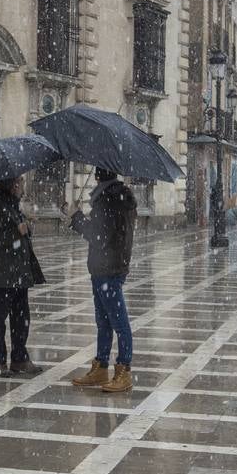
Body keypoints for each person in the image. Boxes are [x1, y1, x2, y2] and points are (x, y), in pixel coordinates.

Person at [66, 167, 138, 393]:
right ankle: (101, 366)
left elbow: (98, 237)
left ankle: (124, 370)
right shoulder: (119, 197)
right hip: (108, 267)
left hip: (107, 268)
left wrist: (76, 217)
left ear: (98, 177)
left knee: (118, 322)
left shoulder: (108, 200)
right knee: (104, 321)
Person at [0, 177, 45, 377]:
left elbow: (19, 231)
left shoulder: (12, 204)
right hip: (2, 273)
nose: (23, 187)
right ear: (14, 185)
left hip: (18, 272)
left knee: (21, 318)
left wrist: (26, 225)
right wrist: (16, 232)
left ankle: (19, 359)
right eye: (21, 183)